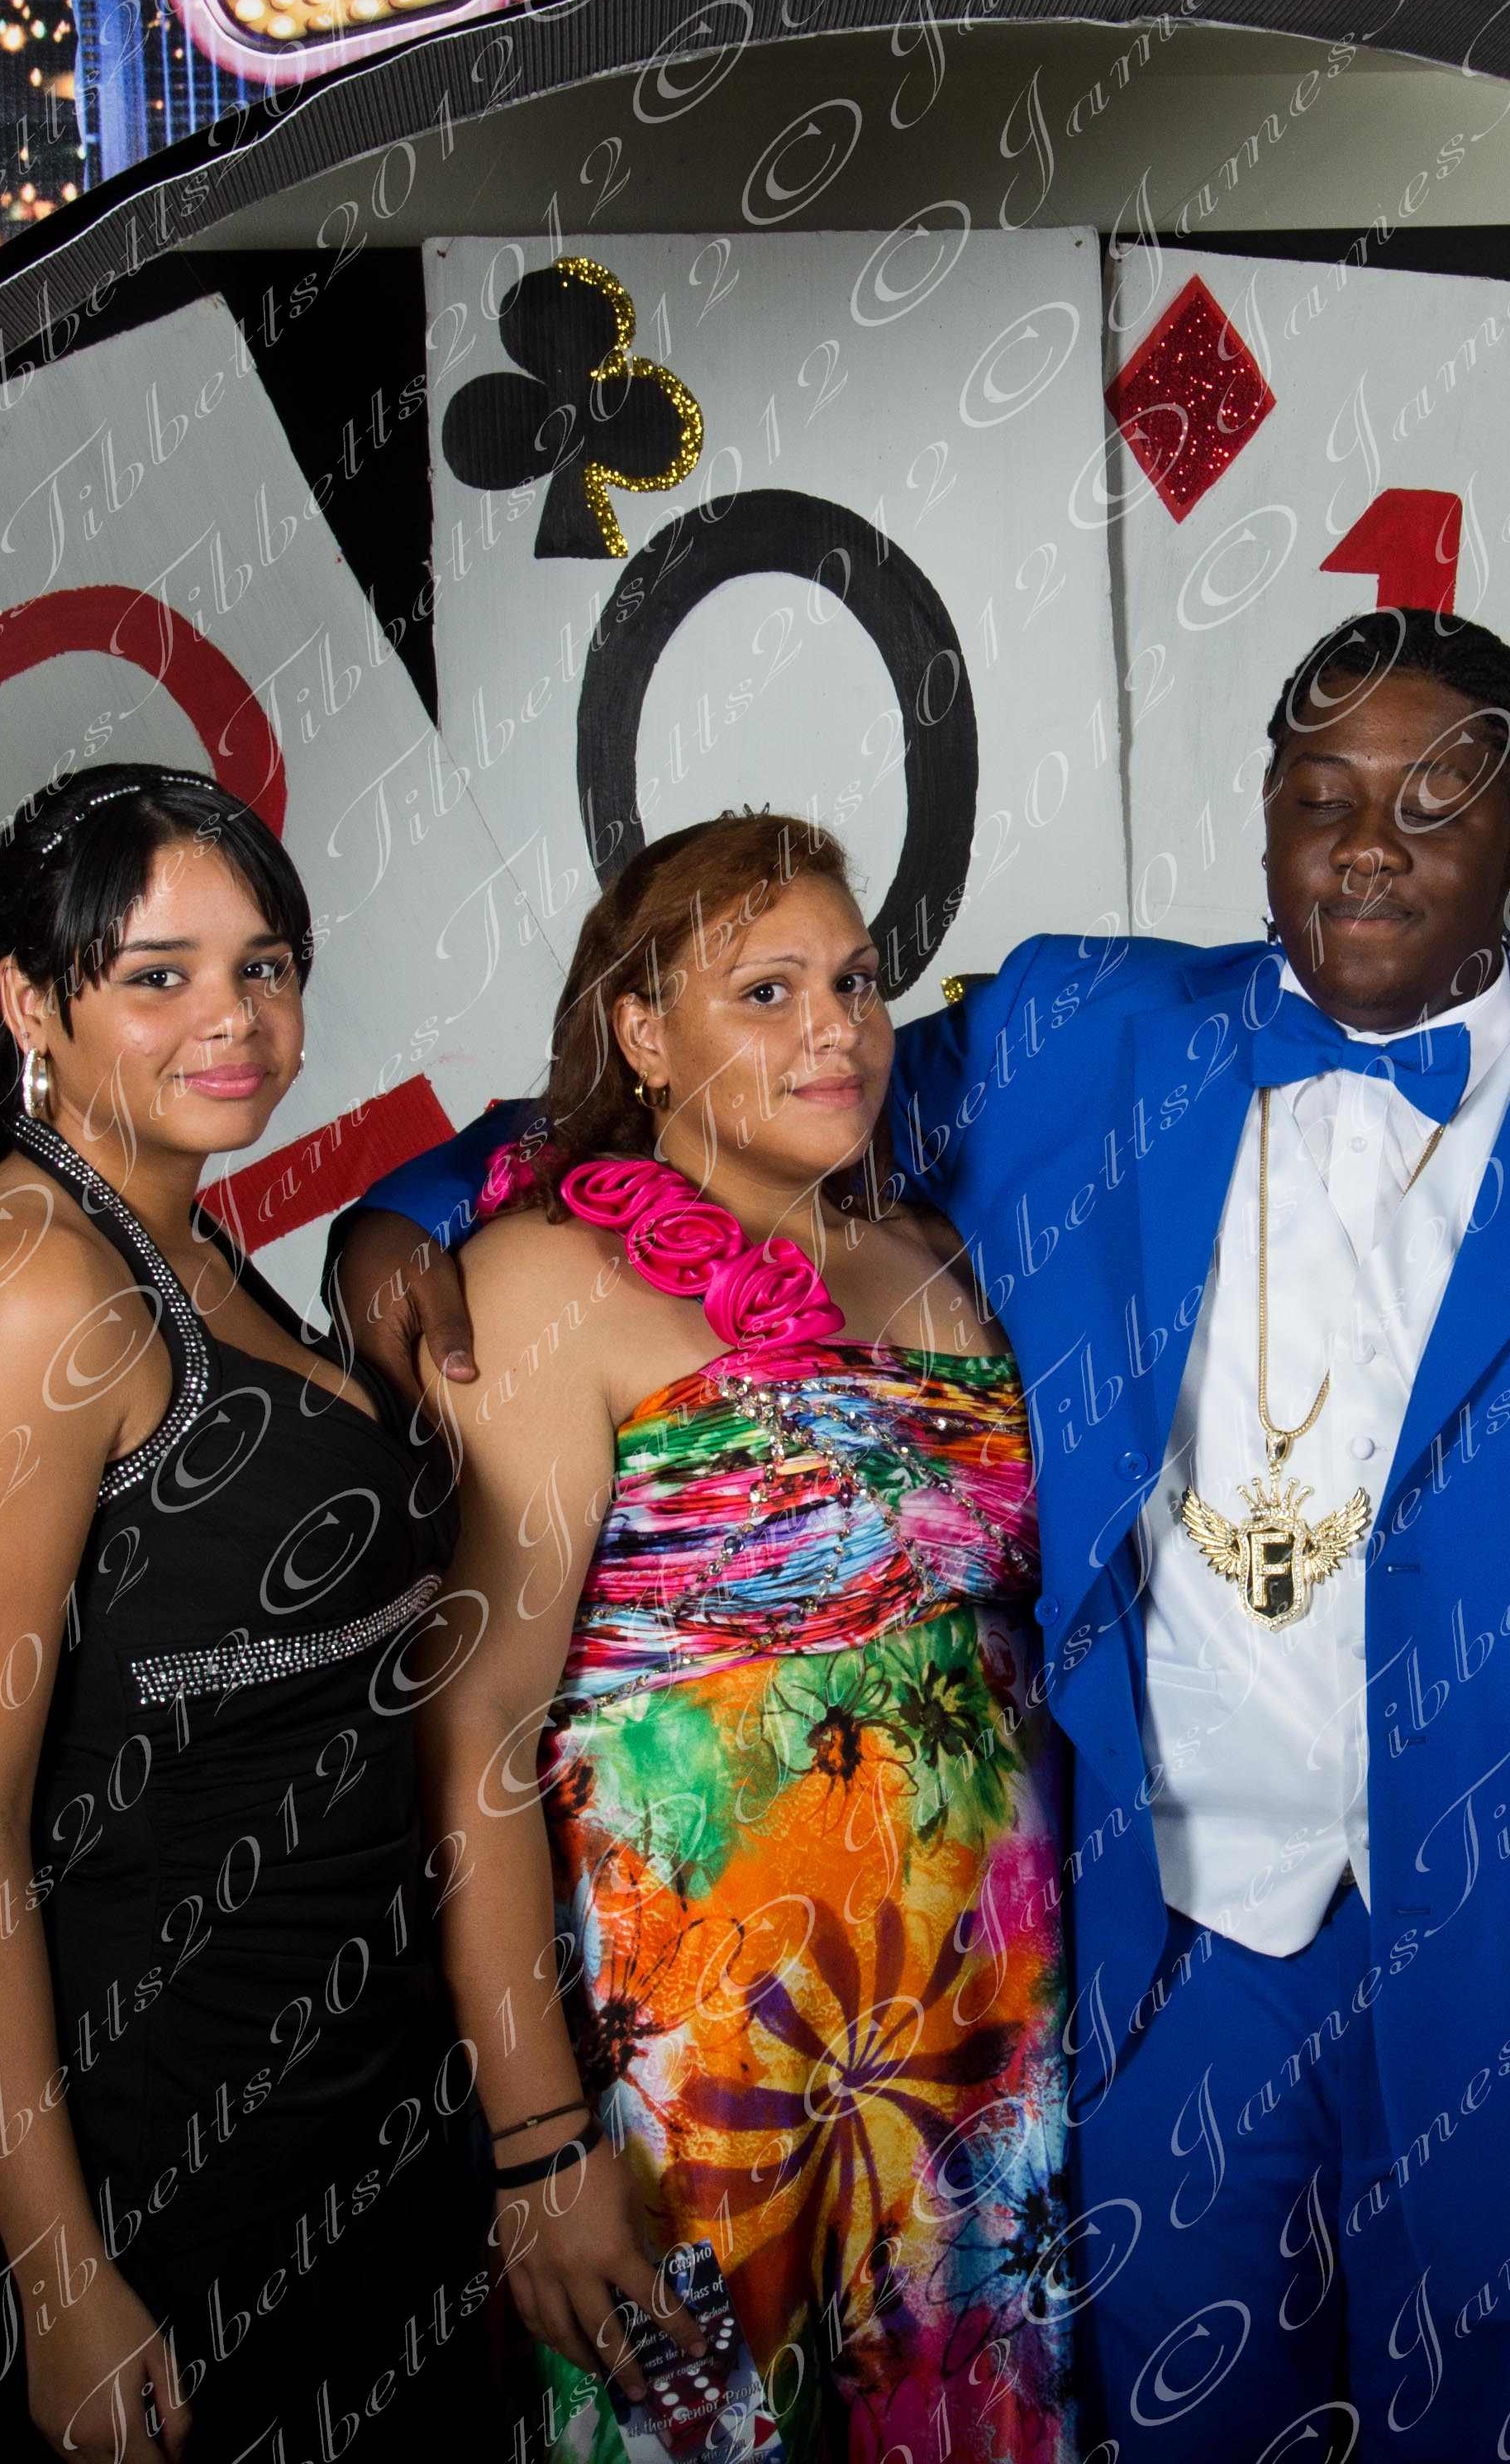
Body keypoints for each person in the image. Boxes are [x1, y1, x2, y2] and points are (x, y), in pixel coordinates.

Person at [336, 608, 1510, 2462]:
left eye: (1433, 801)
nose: (1367, 847)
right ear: (1265, 815)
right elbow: (731, 1091)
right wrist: (408, 1213)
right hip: (1157, 1973)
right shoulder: (1081, 1036)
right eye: (1321, 798)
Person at [409, 813, 1071, 2462]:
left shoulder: (936, 1257)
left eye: (853, 982)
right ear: (642, 1033)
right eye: (766, 992)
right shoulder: (542, 1280)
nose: (835, 1029)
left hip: (987, 2037)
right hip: (706, 2073)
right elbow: (476, 1724)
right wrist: (537, 2141)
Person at [0, 763, 498, 2464]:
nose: (234, 1018)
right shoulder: (32, 1285)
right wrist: (58, 2272)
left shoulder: (184, 1229)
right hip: (172, 2146)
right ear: (31, 1004)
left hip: (351, 2089)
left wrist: (383, 1242)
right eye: (160, 975)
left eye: (263, 967)